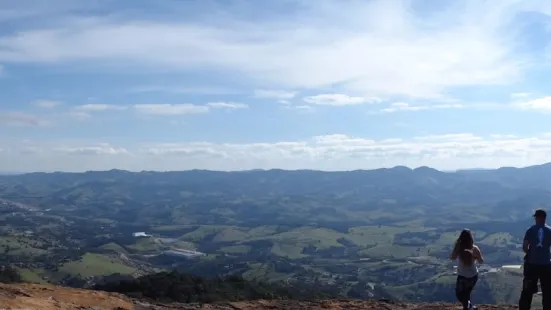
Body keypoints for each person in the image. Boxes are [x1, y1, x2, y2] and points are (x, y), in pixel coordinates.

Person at [519, 209, 551, 310]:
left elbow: (525, 246)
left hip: (532, 264)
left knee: (527, 290)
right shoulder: (549, 230)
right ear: (545, 218)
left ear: (537, 218)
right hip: (546, 265)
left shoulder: (530, 230)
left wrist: (529, 253)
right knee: (547, 291)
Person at [450, 229, 484, 310]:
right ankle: (469, 307)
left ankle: (468, 307)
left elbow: (452, 257)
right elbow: (481, 261)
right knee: (466, 294)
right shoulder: (475, 248)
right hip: (473, 275)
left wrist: (456, 247)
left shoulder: (459, 248)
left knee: (460, 294)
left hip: (462, 276)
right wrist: (476, 257)